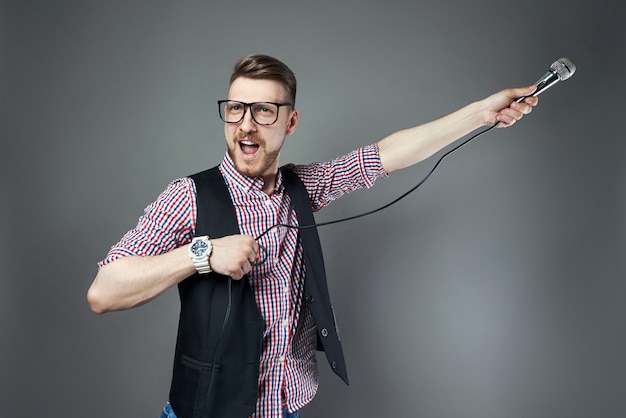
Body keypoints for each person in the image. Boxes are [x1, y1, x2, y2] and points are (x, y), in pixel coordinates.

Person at [87, 54, 538, 418]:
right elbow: (104, 291)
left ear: (291, 122)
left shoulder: (305, 186)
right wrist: (200, 253)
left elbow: (384, 155)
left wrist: (480, 113)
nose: (246, 124)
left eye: (264, 110)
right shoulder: (189, 196)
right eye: (236, 109)